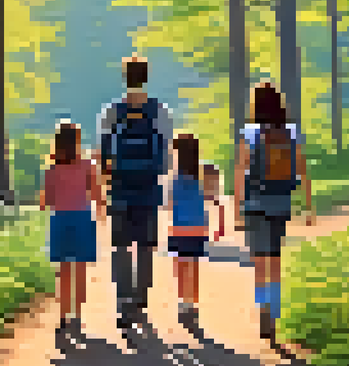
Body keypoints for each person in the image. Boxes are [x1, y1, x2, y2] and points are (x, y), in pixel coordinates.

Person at [94, 56, 173, 344]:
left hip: (119, 187)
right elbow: (165, 156)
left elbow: (103, 154)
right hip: (149, 188)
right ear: (147, 77)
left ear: (124, 77)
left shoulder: (112, 111)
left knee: (121, 246)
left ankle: (123, 302)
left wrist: (105, 184)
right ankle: (141, 300)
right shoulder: (159, 111)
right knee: (146, 247)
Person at [233, 81, 314, 348]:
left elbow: (240, 170)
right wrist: (308, 204)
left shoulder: (250, 132)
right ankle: (276, 316)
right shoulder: (291, 132)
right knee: (276, 262)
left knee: (260, 263)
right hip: (281, 203)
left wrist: (237, 207)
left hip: (255, 204)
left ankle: (264, 312)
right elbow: (302, 168)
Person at [39, 120, 105, 350]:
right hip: (82, 219)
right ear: (77, 142)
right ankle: (77, 317)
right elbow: (97, 194)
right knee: (80, 271)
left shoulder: (52, 168)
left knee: (64, 272)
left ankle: (64, 317)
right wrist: (103, 211)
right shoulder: (87, 165)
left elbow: (46, 201)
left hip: (60, 220)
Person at [161, 136, 227, 336]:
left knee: (180, 267)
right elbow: (216, 199)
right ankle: (193, 305)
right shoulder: (207, 171)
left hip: (179, 227)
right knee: (194, 267)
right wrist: (221, 226)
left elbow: (167, 205)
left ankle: (183, 303)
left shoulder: (173, 176)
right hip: (199, 227)